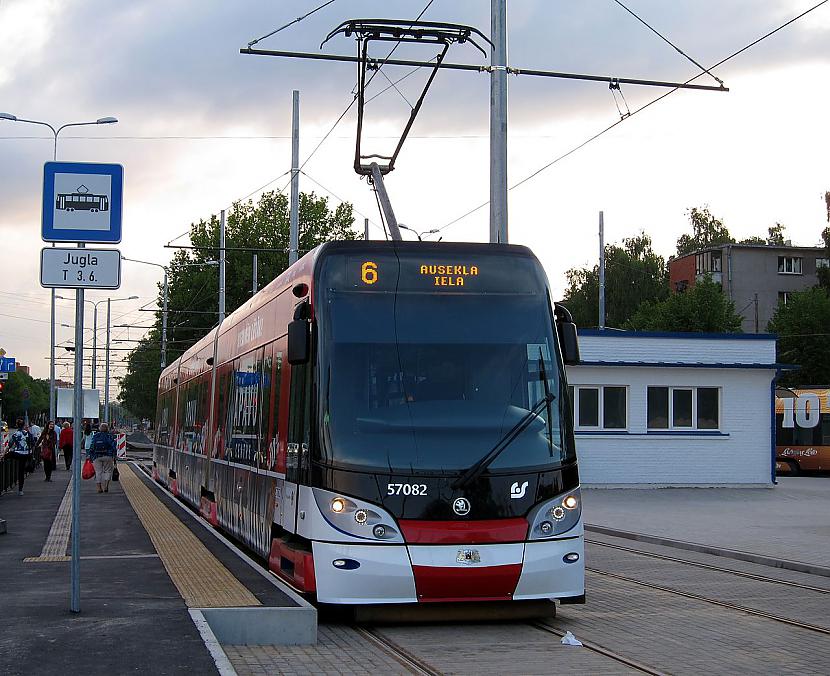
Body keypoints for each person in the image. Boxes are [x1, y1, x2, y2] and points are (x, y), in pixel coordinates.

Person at [8, 418, 35, 495]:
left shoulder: (15, 434)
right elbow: (33, 443)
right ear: (24, 425)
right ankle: (20, 489)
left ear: (17, 425)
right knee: (21, 472)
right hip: (26, 454)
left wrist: (4, 453)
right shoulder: (28, 434)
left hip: (17, 453)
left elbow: (10, 444)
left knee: (8, 456)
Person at [88, 422, 117, 493]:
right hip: (108, 456)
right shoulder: (110, 436)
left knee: (98, 472)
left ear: (99, 428)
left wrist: (90, 455)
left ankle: (99, 488)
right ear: (107, 429)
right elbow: (113, 446)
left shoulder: (96, 436)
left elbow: (92, 446)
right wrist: (114, 456)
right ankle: (106, 486)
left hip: (97, 456)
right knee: (108, 471)